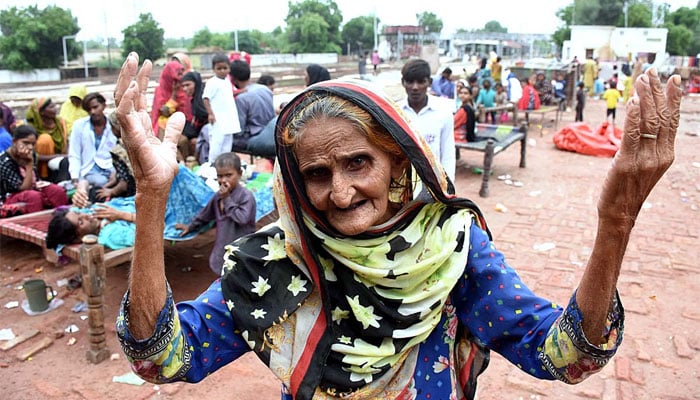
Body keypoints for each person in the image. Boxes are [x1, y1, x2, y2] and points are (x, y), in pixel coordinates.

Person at [113, 52, 683, 399]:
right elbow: (163, 358)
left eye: (357, 163)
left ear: (395, 166)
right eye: (316, 174)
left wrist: (616, 222)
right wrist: (150, 200)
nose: (339, 192)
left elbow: (564, 355)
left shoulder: (451, 249)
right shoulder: (278, 263)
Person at [46, 163, 214, 251]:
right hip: (168, 215)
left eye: (79, 214)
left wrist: (81, 190)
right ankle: (213, 205)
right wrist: (121, 215)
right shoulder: (111, 234)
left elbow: (83, 182)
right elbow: (153, 232)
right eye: (81, 222)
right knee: (178, 171)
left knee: (169, 169)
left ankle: (213, 198)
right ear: (78, 237)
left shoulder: (92, 215)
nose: (85, 216)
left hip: (154, 199)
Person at [175, 152, 256, 275]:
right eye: (220, 176)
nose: (223, 180)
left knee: (240, 277)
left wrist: (227, 199)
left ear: (239, 174)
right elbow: (205, 215)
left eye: (229, 175)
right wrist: (190, 227)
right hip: (222, 249)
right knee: (224, 277)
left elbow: (243, 218)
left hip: (242, 250)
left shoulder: (246, 196)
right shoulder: (219, 196)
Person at [398, 58, 456, 182]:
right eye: (410, 82)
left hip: (434, 182)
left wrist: (449, 187)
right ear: (403, 82)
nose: (415, 87)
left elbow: (448, 154)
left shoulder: (443, 113)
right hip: (402, 182)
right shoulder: (395, 112)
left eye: (421, 82)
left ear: (429, 82)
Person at [0, 125, 69, 214]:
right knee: (33, 196)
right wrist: (29, 165)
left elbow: (35, 180)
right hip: (9, 196)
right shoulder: (4, 162)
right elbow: (23, 189)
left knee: (57, 191)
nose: (30, 147)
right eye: (25, 143)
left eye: (33, 144)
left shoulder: (31, 154)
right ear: (14, 142)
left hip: (31, 187)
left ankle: (63, 219)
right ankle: (36, 224)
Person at [68, 92, 116, 197]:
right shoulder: (79, 126)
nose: (93, 112)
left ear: (103, 105)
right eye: (89, 110)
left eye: (95, 107)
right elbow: (74, 154)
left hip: (111, 167)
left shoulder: (114, 124)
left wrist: (116, 173)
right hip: (89, 168)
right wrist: (75, 178)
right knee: (100, 182)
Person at [229, 60, 276, 154]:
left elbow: (239, 130)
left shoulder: (241, 99)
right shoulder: (265, 89)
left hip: (256, 136)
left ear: (233, 79)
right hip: (272, 132)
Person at [203, 54, 242, 164]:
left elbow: (228, 95)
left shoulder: (227, 81)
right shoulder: (212, 82)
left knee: (227, 143)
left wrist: (241, 91)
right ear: (213, 69)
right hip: (218, 119)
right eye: (219, 68)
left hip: (228, 118)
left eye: (225, 68)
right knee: (216, 143)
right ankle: (212, 165)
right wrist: (210, 113)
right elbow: (206, 98)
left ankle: (224, 164)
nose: (222, 71)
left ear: (229, 68)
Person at [23, 97, 69, 181]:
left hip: (61, 159)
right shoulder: (31, 127)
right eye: (51, 107)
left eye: (54, 106)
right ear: (42, 112)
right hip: (40, 164)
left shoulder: (60, 122)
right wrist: (56, 156)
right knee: (45, 139)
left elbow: (67, 141)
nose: (55, 109)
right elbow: (30, 154)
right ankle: (43, 176)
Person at [94, 112, 136, 201]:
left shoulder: (118, 150)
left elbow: (125, 183)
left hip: (132, 195)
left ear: (115, 129)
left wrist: (111, 191)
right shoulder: (141, 141)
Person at [150, 60, 191, 140]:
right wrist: (173, 95)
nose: (180, 78)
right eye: (178, 74)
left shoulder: (185, 89)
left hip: (185, 126)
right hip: (165, 126)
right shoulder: (160, 91)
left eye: (181, 73)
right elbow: (164, 112)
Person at [180, 70, 209, 160]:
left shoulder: (201, 99)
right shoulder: (194, 99)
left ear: (196, 84)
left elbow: (203, 118)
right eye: (183, 86)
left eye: (188, 85)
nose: (185, 89)